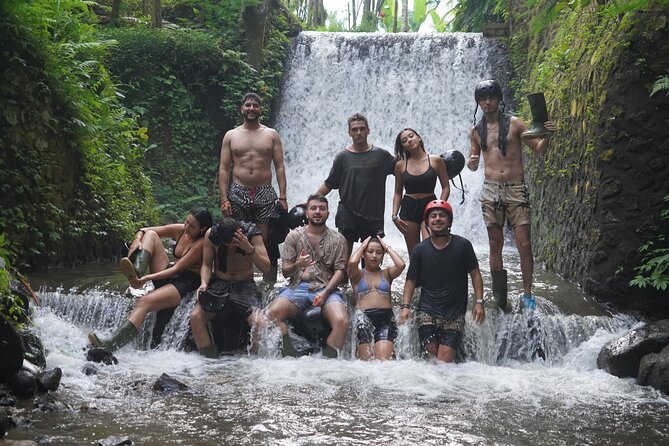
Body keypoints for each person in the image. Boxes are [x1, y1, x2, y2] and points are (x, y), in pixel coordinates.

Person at [466, 79, 557, 310]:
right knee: (494, 244)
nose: (488, 102)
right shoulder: (476, 131)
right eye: (483, 99)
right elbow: (473, 164)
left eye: (492, 98)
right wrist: (471, 162)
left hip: (516, 188)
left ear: (499, 99)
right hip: (490, 189)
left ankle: (527, 294)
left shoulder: (515, 123)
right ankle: (500, 297)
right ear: (478, 102)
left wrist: (547, 135)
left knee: (524, 244)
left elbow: (539, 149)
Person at [88, 208, 213, 351]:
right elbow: (144, 229)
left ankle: (111, 344)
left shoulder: (201, 243)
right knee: (151, 234)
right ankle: (137, 269)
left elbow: (175, 269)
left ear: (202, 229)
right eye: (186, 221)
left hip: (185, 283)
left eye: (192, 226)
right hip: (170, 275)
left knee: (144, 302)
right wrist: (137, 240)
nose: (186, 227)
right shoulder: (180, 230)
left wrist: (146, 279)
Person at [398, 200, 485, 363]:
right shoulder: (420, 250)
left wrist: (479, 302)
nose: (437, 219)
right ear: (427, 222)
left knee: (445, 361)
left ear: (450, 221)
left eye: (442, 216)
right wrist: (405, 307)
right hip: (427, 310)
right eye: (433, 216)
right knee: (430, 359)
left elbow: (475, 274)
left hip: (454, 312)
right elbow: (411, 280)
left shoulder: (463, 246)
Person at [266, 194, 349, 358]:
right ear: (306, 213)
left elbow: (340, 272)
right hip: (298, 287)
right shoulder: (294, 236)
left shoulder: (338, 239)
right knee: (272, 314)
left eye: (322, 209)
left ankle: (327, 361)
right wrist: (298, 265)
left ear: (328, 213)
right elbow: (285, 272)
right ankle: (290, 356)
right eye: (313, 208)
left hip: (327, 288)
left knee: (342, 321)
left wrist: (325, 294)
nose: (317, 212)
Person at [313, 113, 395, 258]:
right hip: (347, 213)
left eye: (362, 129)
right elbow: (329, 184)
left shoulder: (382, 156)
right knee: (343, 259)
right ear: (349, 132)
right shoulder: (342, 157)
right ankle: (343, 281)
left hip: (373, 215)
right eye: (355, 129)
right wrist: (310, 201)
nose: (359, 133)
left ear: (368, 130)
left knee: (370, 261)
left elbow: (403, 169)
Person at [190, 217, 271, 358]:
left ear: (239, 232)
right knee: (196, 316)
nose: (231, 247)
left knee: (260, 323)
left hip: (245, 285)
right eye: (226, 244)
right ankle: (209, 359)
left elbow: (266, 268)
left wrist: (250, 249)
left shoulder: (252, 234)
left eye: (233, 242)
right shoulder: (212, 234)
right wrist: (203, 283)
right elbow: (207, 264)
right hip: (220, 284)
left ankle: (253, 360)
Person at [218, 92, 288, 248]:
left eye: (255, 105)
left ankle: (263, 270)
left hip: (264, 191)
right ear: (241, 109)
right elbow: (223, 168)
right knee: (236, 236)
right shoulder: (231, 135)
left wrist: (283, 197)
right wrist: (224, 198)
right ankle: (241, 271)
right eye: (248, 105)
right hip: (237, 192)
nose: (251, 108)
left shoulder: (271, 135)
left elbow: (280, 167)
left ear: (260, 109)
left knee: (264, 239)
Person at [391, 128, 450, 255]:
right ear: (403, 147)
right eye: (404, 140)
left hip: (429, 207)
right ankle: (414, 275)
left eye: (411, 136)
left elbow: (446, 187)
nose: (409, 140)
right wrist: (394, 216)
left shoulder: (435, 160)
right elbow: (397, 192)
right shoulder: (400, 165)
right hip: (408, 207)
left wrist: (439, 207)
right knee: (414, 252)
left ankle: (431, 275)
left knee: (429, 249)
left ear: (419, 138)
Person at [348, 236, 405, 360]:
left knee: (383, 363)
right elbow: (352, 262)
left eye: (379, 253)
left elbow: (401, 265)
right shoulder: (357, 275)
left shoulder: (387, 274)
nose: (374, 256)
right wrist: (362, 246)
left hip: (385, 320)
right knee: (366, 364)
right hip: (363, 319)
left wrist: (387, 248)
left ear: (382, 256)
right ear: (363, 254)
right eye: (370, 252)